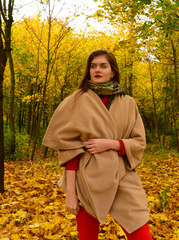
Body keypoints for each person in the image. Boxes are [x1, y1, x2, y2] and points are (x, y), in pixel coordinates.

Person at [42, 49, 153, 239]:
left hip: (122, 175)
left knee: (141, 234)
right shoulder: (76, 100)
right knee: (87, 237)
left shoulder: (128, 102)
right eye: (93, 66)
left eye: (103, 66)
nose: (97, 70)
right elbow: (69, 149)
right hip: (86, 178)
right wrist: (71, 193)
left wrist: (112, 144)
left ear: (113, 71)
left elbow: (139, 142)